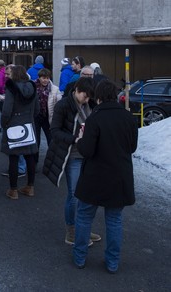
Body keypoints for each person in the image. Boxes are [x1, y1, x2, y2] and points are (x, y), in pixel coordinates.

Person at [72, 79, 138, 273]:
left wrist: (82, 138)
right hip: (119, 176)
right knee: (114, 220)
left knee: (84, 216)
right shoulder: (128, 118)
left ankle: (79, 257)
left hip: (94, 176)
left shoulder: (94, 119)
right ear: (116, 96)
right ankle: (112, 262)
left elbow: (87, 151)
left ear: (99, 97)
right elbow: (132, 147)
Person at [42, 77, 102, 245]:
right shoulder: (64, 105)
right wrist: (74, 138)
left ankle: (83, 228)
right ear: (76, 90)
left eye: (89, 97)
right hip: (73, 155)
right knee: (74, 195)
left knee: (87, 195)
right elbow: (54, 131)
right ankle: (71, 231)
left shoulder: (90, 104)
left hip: (88, 155)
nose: (86, 99)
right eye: (85, 95)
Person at [0, 65, 40, 200]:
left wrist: (4, 123)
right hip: (28, 125)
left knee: (14, 158)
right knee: (30, 157)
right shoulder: (32, 87)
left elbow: (6, 111)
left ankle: (13, 190)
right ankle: (30, 187)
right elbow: (37, 109)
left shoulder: (11, 88)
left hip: (13, 126)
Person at [33, 68, 62, 170]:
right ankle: (34, 163)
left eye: (47, 78)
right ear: (39, 78)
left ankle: (52, 162)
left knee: (51, 141)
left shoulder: (54, 89)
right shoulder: (33, 87)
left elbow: (59, 104)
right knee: (36, 141)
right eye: (43, 78)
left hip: (48, 118)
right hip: (36, 117)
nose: (45, 80)